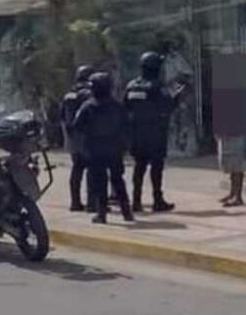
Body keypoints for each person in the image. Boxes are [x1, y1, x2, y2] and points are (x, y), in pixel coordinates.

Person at [124, 51, 184, 213]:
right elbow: (167, 107)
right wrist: (178, 95)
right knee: (156, 168)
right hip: (155, 134)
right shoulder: (157, 87)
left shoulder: (131, 86)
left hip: (136, 134)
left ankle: (136, 201)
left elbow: (125, 108)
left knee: (139, 167)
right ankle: (157, 200)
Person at [73, 72, 134, 224]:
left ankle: (102, 214)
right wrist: (125, 145)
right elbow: (127, 126)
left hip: (95, 150)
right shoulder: (117, 106)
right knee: (118, 180)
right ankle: (127, 212)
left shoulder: (88, 106)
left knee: (100, 183)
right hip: (114, 149)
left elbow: (77, 126)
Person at [61, 65, 94, 212]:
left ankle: (75, 202)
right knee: (92, 170)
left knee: (77, 169)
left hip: (73, 138)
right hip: (87, 137)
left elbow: (61, 116)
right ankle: (92, 203)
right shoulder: (88, 93)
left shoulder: (69, 94)